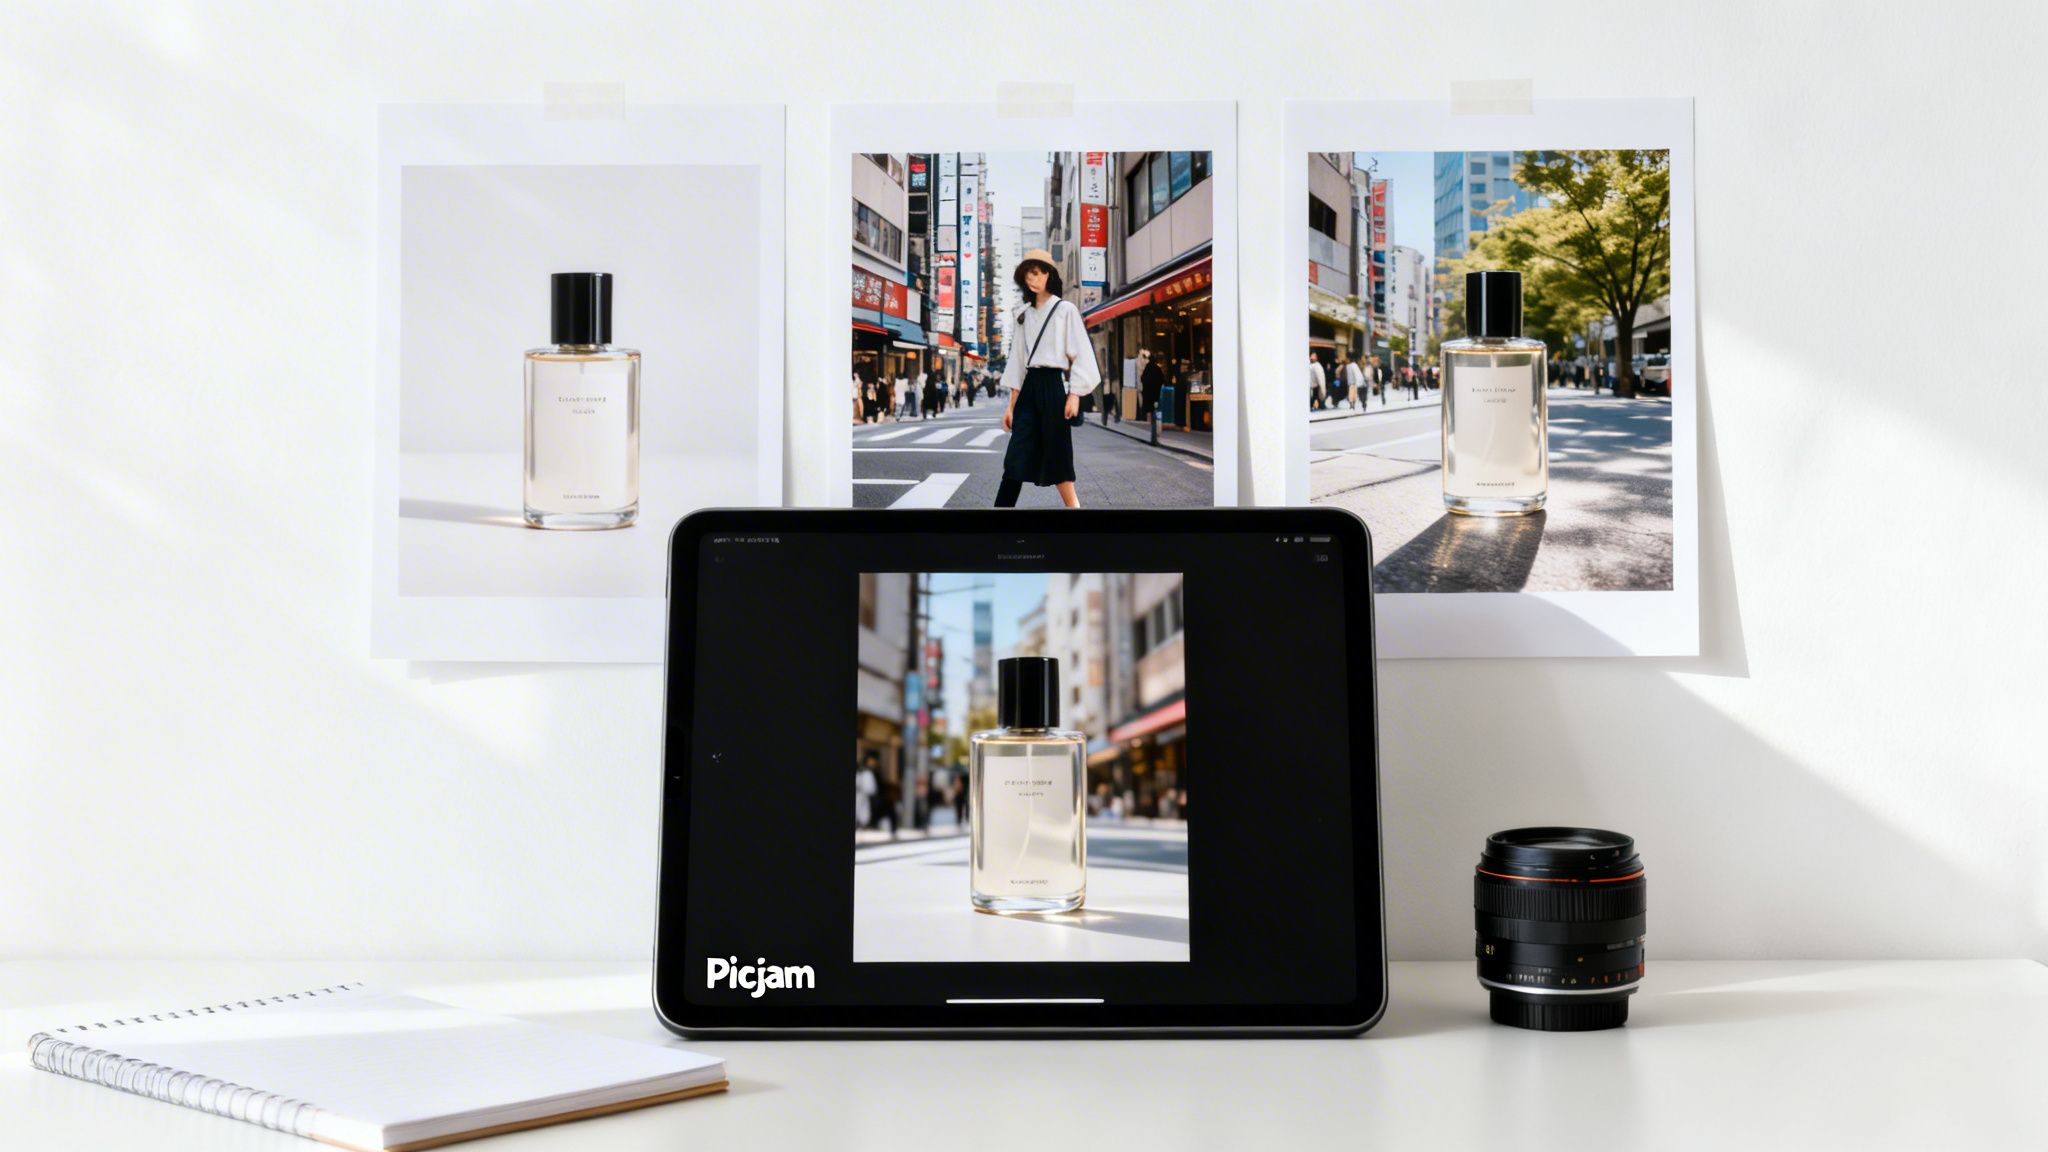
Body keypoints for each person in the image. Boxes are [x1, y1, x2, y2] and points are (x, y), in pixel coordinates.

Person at [996, 249, 1098, 508]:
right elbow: (1018, 362)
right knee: (1015, 456)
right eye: (1028, 274)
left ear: (1049, 275)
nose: (1033, 278)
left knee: (1057, 452)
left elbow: (1081, 353)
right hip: (1029, 388)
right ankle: (998, 519)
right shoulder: (1023, 314)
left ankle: (1074, 508)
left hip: (1053, 386)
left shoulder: (1066, 310)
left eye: (1038, 273)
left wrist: (1074, 394)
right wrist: (1011, 406)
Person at [1139, 348, 1165, 420]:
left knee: (1148, 407)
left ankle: (1148, 419)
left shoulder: (1147, 367)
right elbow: (1161, 379)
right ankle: (1154, 419)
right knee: (1154, 406)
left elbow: (1142, 378)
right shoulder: (1157, 368)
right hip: (1155, 391)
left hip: (1147, 391)